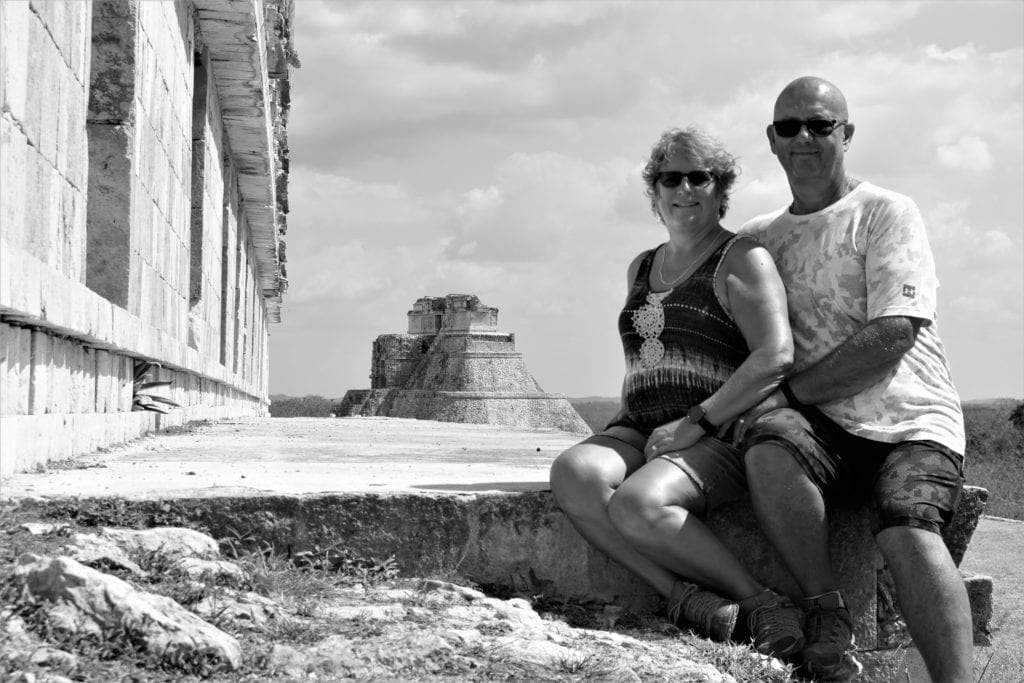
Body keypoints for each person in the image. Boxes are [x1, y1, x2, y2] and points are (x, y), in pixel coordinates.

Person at [738, 76, 972, 682]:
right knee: (766, 446)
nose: (805, 138)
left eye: (821, 124)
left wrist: (788, 394)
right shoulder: (760, 238)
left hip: (912, 420)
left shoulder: (886, 212)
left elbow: (894, 333)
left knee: (907, 526)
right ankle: (827, 612)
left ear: (847, 133)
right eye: (790, 127)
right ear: (772, 139)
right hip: (826, 429)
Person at [549, 126, 804, 656]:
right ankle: (683, 597)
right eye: (671, 177)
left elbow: (774, 356)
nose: (684, 189)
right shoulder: (642, 265)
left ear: (720, 189)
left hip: (720, 429)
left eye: (699, 177)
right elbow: (646, 349)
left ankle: (760, 602)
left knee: (638, 505)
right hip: (644, 424)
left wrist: (697, 421)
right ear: (655, 189)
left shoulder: (740, 258)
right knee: (574, 473)